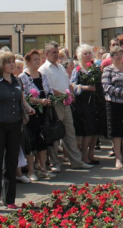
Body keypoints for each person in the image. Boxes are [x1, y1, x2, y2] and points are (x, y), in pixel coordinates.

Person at [0, 50, 35, 214]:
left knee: (12, 163)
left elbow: (21, 99)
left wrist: (28, 107)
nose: (12, 65)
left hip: (15, 125)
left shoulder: (17, 80)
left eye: (12, 61)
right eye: (8, 62)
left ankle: (10, 199)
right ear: (1, 64)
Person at [41, 42, 92, 171]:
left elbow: (68, 83)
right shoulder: (44, 69)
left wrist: (71, 94)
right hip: (55, 103)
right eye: (53, 52)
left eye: (57, 52)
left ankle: (76, 161)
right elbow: (49, 89)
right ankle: (55, 163)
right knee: (55, 133)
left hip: (66, 103)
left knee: (70, 132)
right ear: (46, 54)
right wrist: (64, 95)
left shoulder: (60, 66)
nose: (56, 54)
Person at [18, 50, 53, 181]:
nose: (37, 61)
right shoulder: (22, 77)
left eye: (39, 59)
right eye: (34, 59)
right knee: (31, 141)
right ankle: (31, 171)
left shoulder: (43, 75)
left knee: (42, 140)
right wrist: (39, 101)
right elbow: (24, 97)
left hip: (43, 112)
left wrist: (49, 99)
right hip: (31, 113)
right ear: (28, 62)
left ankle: (43, 169)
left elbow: (49, 90)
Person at [69, 44, 103, 167]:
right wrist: (85, 87)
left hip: (95, 102)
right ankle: (84, 155)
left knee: (95, 130)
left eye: (89, 53)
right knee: (87, 130)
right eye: (85, 53)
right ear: (80, 56)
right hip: (83, 103)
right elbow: (72, 86)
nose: (88, 55)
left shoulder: (95, 68)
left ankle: (91, 154)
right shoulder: (77, 70)